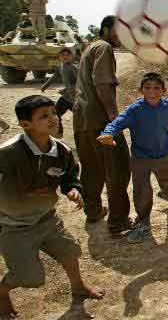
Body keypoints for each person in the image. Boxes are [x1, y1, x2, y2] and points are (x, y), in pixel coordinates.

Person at [0, 95, 104, 319]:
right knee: (30, 278)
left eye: (54, 113)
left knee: (69, 252)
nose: (53, 119)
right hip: (14, 226)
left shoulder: (61, 151)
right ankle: (1, 292)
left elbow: (69, 177)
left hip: (47, 218)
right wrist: (23, 192)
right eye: (43, 116)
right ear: (25, 124)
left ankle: (78, 287)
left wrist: (72, 189)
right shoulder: (7, 154)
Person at [97, 72, 168, 244]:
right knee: (142, 192)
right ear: (141, 90)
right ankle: (143, 223)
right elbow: (118, 122)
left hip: (165, 155)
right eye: (147, 88)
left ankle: (167, 193)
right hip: (140, 159)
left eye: (157, 88)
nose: (152, 91)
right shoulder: (134, 110)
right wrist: (108, 133)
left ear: (164, 90)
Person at [72, 15, 132, 236]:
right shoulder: (104, 47)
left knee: (91, 169)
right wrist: (114, 120)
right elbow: (102, 84)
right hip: (100, 122)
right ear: (106, 30)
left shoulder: (90, 47)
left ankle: (94, 210)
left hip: (81, 120)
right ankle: (118, 222)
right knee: (118, 168)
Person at [41, 47, 78, 138]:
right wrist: (45, 86)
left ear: (71, 57)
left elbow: (80, 81)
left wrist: (75, 93)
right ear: (59, 57)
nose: (65, 56)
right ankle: (58, 133)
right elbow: (54, 76)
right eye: (62, 55)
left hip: (75, 98)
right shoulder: (60, 67)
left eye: (67, 55)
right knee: (56, 113)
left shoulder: (73, 68)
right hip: (66, 97)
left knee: (81, 118)